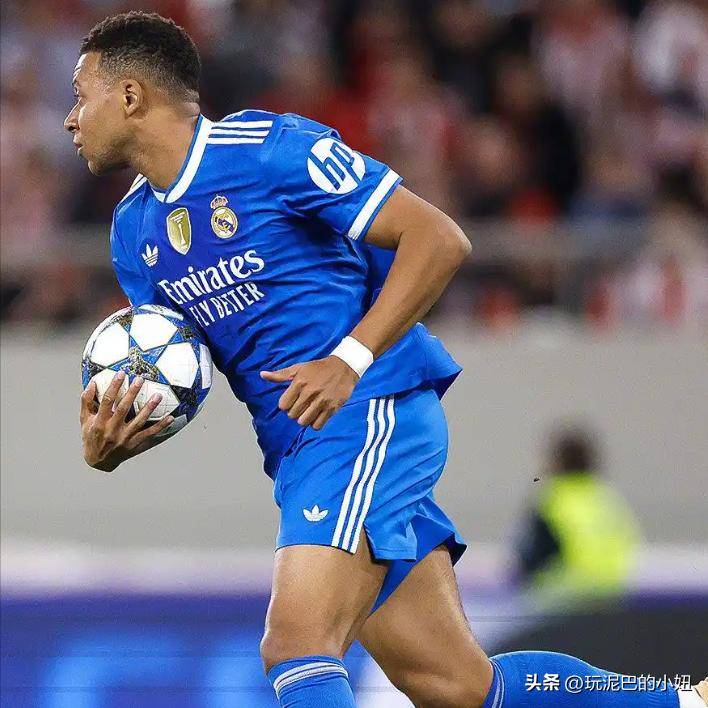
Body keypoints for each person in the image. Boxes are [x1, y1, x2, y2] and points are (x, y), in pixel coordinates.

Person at [66, 12, 706, 708]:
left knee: (296, 644)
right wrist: (118, 440)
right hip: (298, 450)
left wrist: (349, 357)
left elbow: (438, 238)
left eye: (80, 96)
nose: (70, 119)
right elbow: (174, 368)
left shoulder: (270, 151)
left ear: (131, 95)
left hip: (367, 412)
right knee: (458, 687)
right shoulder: (133, 233)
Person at [517, 426, 640, 601]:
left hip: (563, 601)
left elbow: (530, 559)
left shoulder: (553, 500)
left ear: (557, 461)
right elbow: (629, 545)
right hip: (610, 599)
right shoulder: (608, 499)